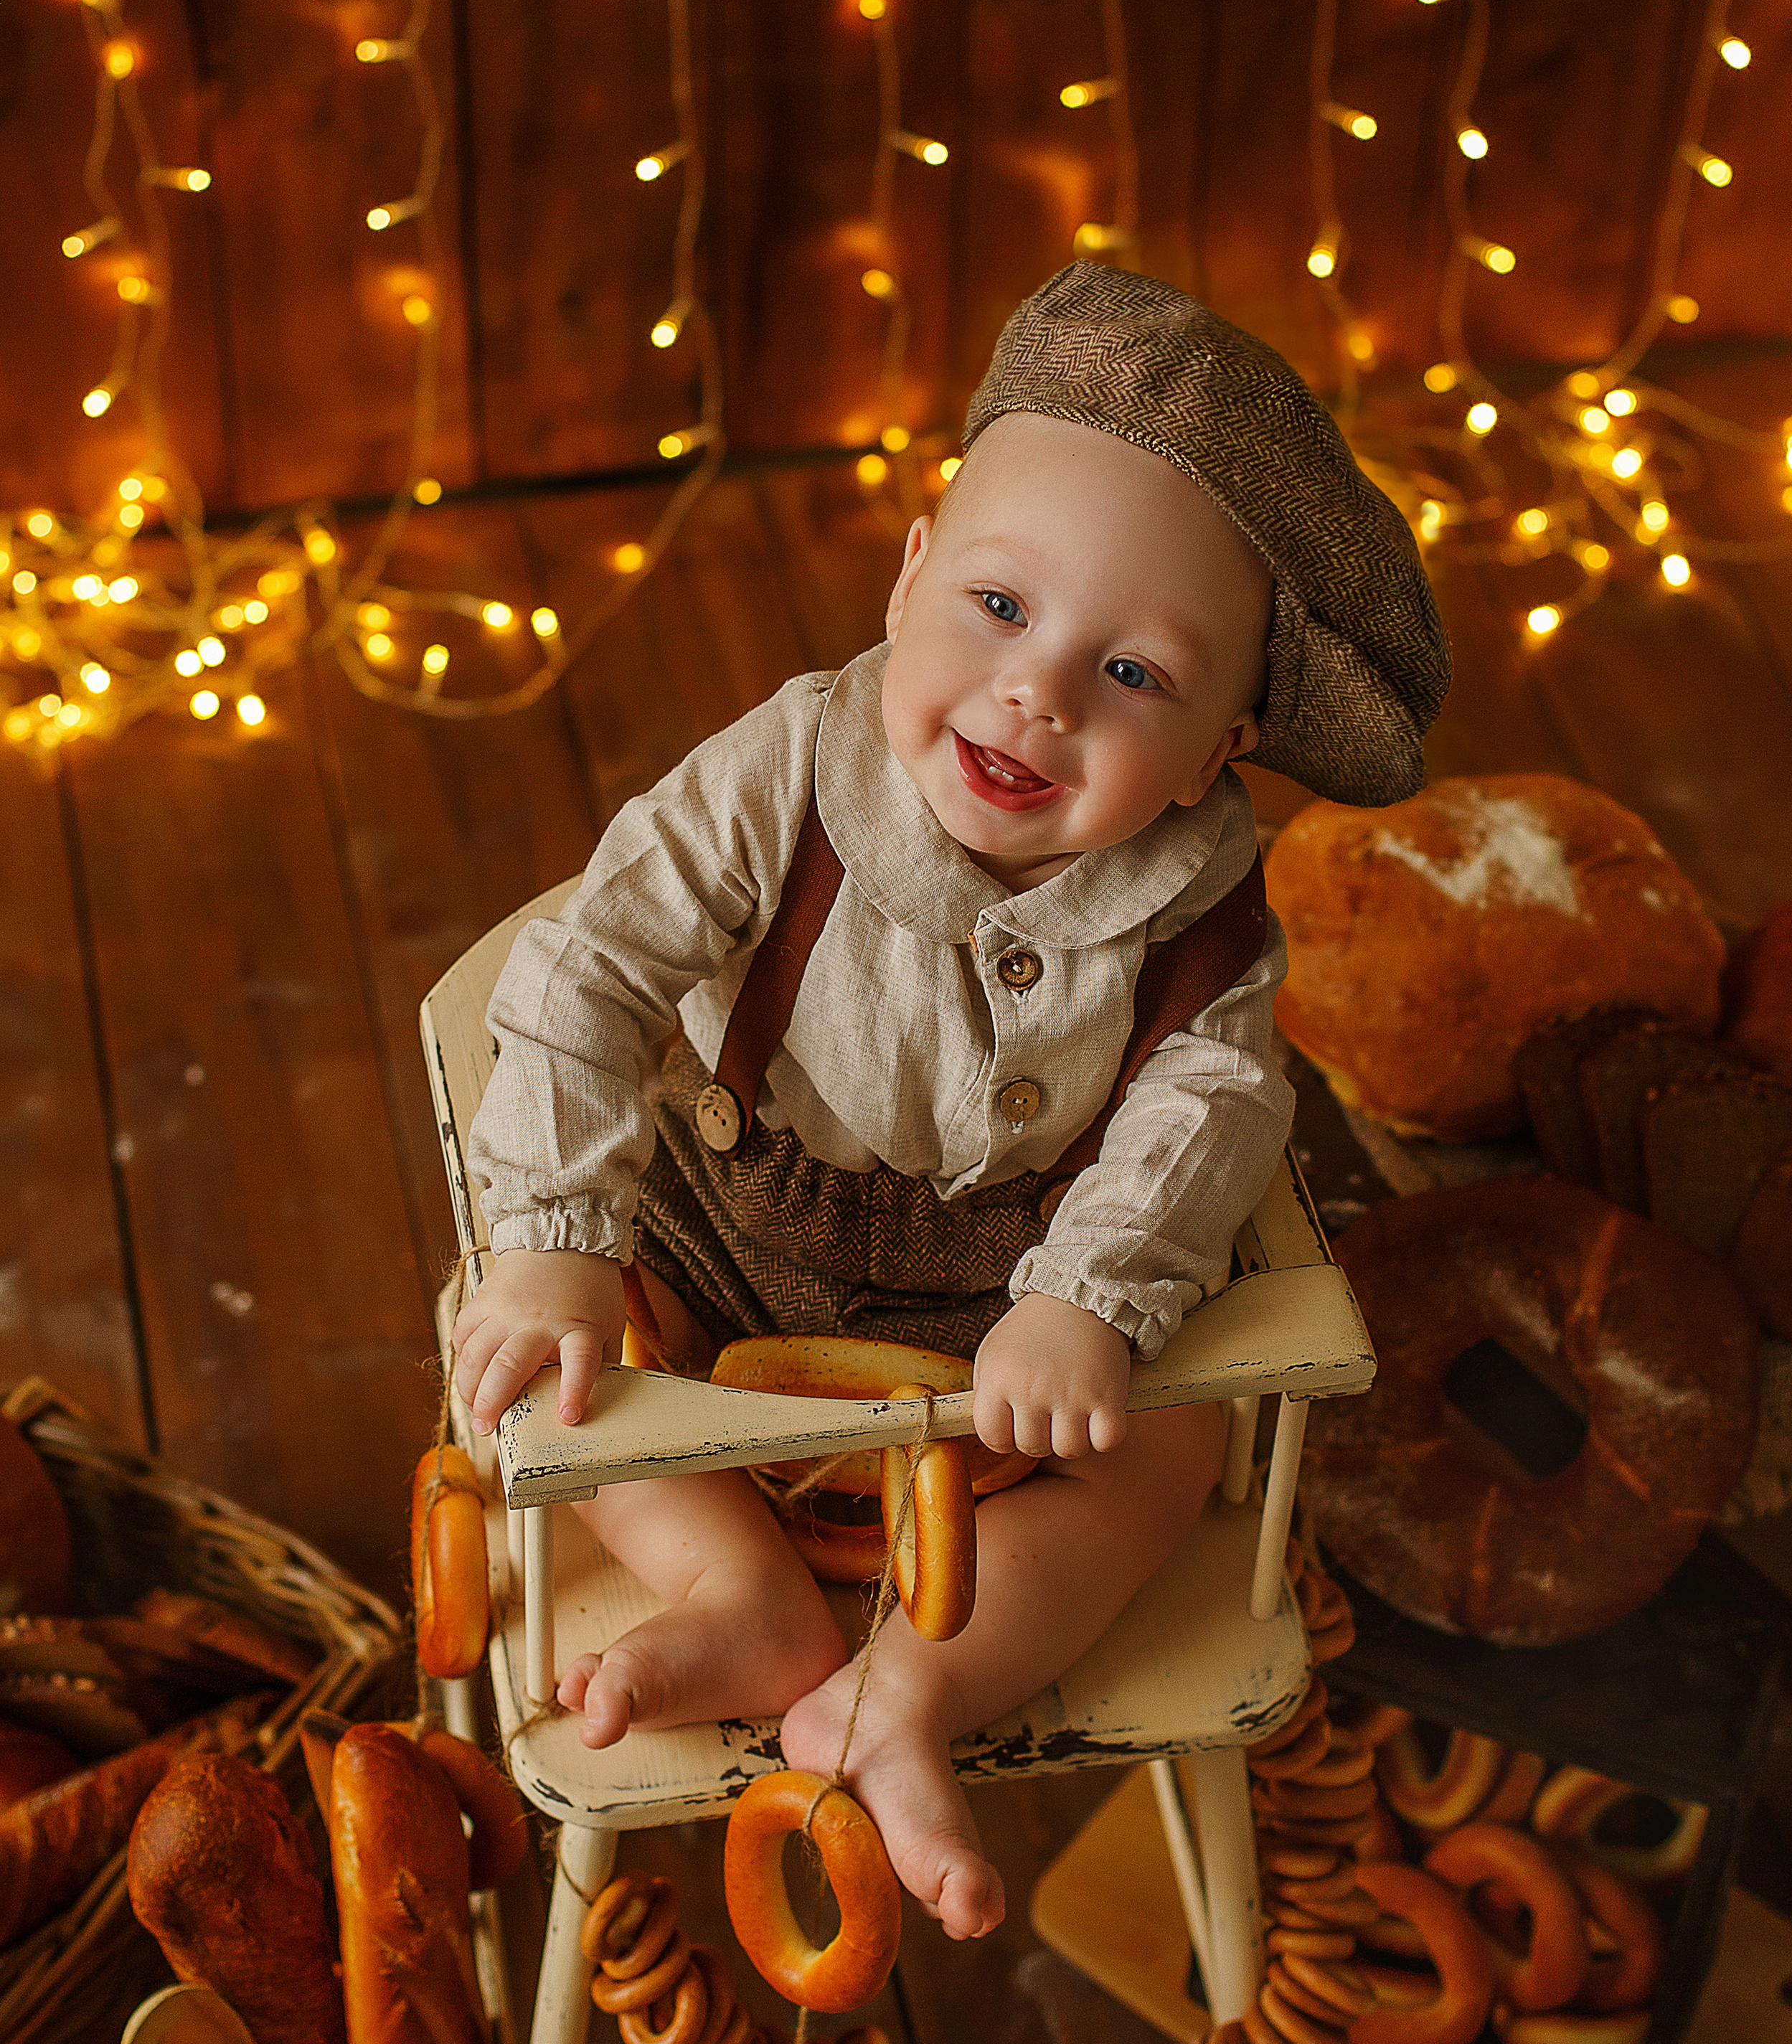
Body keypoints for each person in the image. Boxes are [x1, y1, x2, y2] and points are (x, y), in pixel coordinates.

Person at [455, 263, 1448, 1941]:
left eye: (1133, 675)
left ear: (1221, 747)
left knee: (1167, 1454)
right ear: (911, 568)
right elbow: (591, 964)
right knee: (542, 1371)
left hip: (1005, 1303)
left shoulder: (1206, 913)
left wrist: (1087, 1300)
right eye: (996, 604)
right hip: (722, 1223)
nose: (1038, 692)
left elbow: (1209, 1108)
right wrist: (557, 1240)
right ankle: (742, 1593)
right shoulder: (787, 774)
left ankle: (911, 1684)